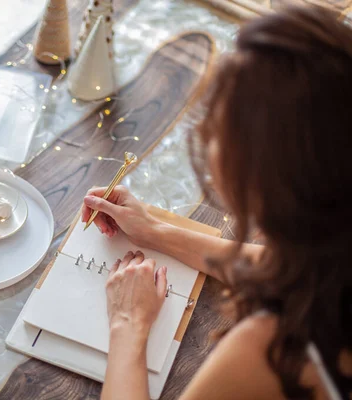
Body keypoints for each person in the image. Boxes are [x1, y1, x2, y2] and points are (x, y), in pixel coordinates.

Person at [82, 6, 352, 400]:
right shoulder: (333, 249)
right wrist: (155, 231)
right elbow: (290, 270)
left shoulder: (268, 350)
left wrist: (127, 325)